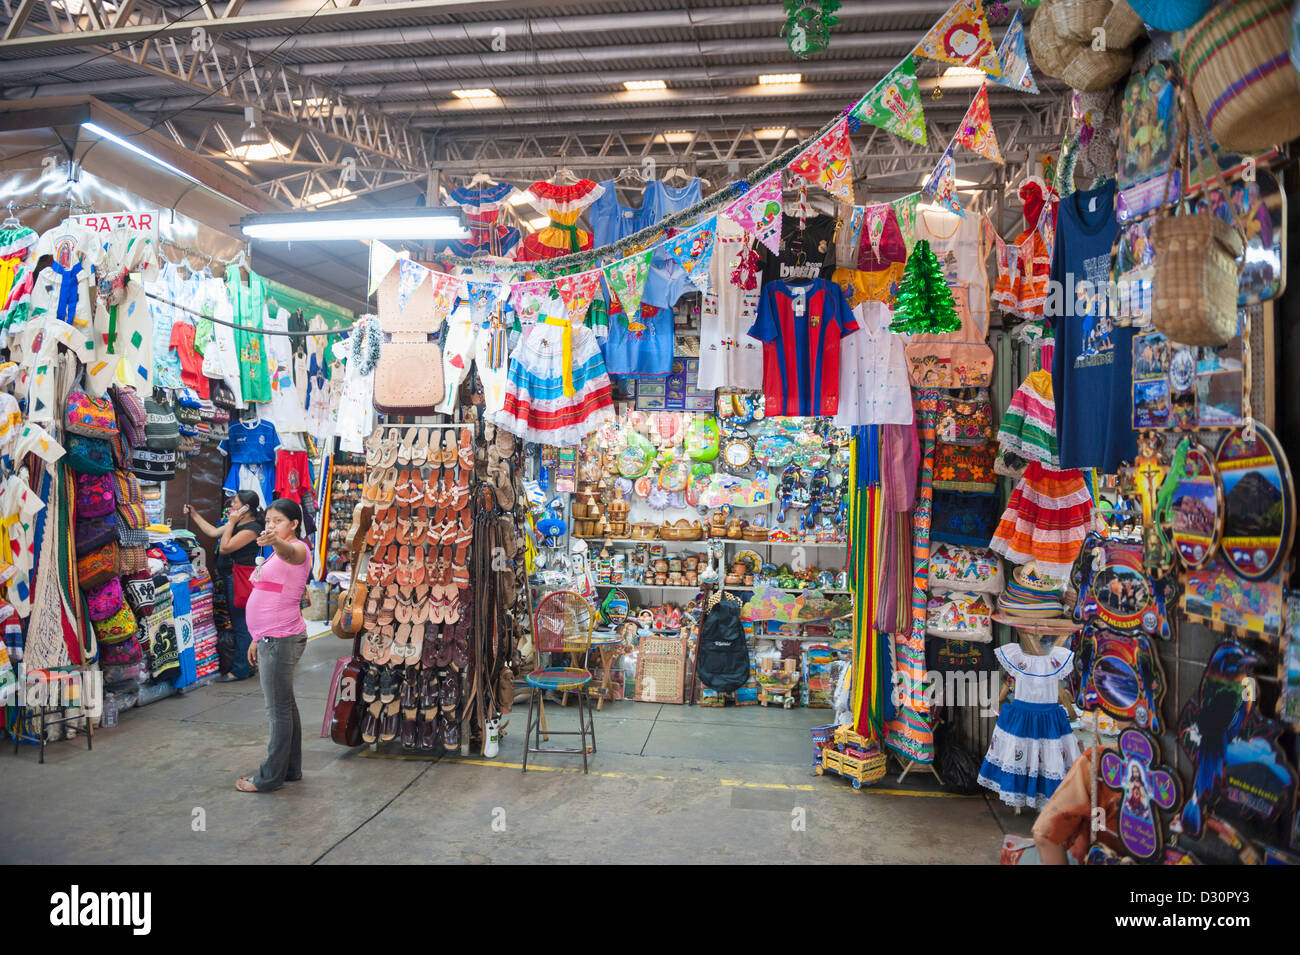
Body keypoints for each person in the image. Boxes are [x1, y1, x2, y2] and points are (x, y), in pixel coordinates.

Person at [236, 498, 313, 793]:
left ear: (293, 524)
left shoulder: (298, 549)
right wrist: (256, 638)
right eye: (268, 520)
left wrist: (275, 542)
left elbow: (290, 552)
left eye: (278, 520)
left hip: (281, 638)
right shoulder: (274, 554)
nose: (270, 525)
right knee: (285, 706)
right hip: (270, 637)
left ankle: (269, 777)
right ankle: (290, 769)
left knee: (277, 710)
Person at [184, 491, 262, 681]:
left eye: (235, 503)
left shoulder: (252, 528)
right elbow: (212, 532)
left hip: (240, 578)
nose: (231, 507)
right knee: (240, 622)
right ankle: (247, 664)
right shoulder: (237, 524)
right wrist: (194, 514)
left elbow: (226, 547)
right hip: (231, 576)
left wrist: (231, 523)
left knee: (241, 623)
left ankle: (240, 670)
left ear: (246, 508)